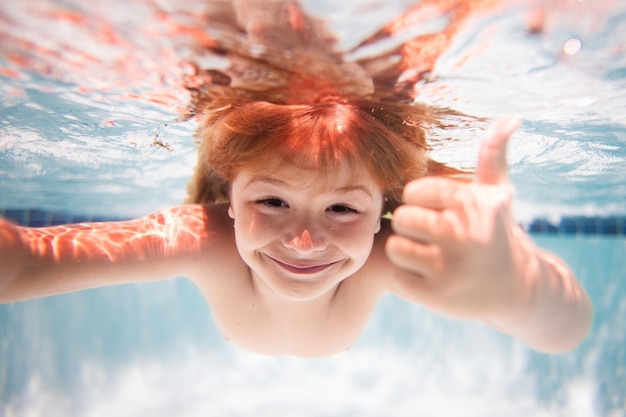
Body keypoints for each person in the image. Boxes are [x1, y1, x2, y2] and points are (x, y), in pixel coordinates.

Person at [0, 0, 592, 358]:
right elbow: (25, 261)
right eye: (273, 200)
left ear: (382, 205)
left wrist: (516, 287)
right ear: (228, 193)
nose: (304, 242)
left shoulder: (388, 255)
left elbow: (565, 328)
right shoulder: (200, 239)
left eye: (342, 210)